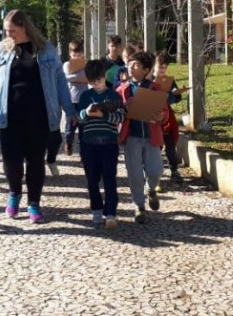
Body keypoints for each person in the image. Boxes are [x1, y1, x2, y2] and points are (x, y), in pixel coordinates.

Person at [0, 9, 74, 223]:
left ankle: (34, 203)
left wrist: (69, 110)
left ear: (24, 27)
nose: (9, 35)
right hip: (9, 115)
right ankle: (14, 193)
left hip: (39, 115)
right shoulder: (1, 50)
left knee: (35, 161)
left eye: (12, 30)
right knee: (11, 161)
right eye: (6, 31)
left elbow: (60, 80)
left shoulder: (47, 49)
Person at [117, 50, 167, 224]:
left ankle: (151, 189)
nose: (131, 67)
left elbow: (165, 112)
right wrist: (124, 108)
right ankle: (139, 206)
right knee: (135, 174)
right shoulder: (123, 89)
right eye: (130, 63)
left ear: (146, 70)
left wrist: (161, 117)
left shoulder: (155, 88)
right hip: (131, 137)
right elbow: (117, 113)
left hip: (151, 137)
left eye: (136, 65)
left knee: (155, 171)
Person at [77, 59, 126, 229]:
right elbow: (79, 118)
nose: (96, 85)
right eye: (92, 82)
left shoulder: (113, 95)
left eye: (98, 80)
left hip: (109, 143)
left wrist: (103, 115)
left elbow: (120, 117)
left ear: (104, 76)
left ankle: (111, 212)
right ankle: (96, 208)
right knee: (92, 179)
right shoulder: (85, 96)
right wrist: (87, 112)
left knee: (109, 178)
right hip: (89, 143)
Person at [151, 51, 185, 186]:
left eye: (165, 68)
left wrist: (176, 93)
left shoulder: (169, 80)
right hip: (154, 118)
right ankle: (155, 173)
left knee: (170, 145)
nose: (162, 70)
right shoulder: (149, 81)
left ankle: (174, 170)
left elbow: (175, 97)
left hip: (167, 118)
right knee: (156, 147)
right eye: (160, 67)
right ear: (154, 66)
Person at [62, 39, 88, 156]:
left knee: (83, 128)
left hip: (83, 101)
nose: (77, 57)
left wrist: (76, 77)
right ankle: (68, 143)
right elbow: (65, 78)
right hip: (71, 100)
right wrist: (79, 76)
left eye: (79, 55)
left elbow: (88, 76)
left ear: (82, 53)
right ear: (70, 54)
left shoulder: (86, 64)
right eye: (74, 55)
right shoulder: (67, 65)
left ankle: (84, 153)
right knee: (70, 127)